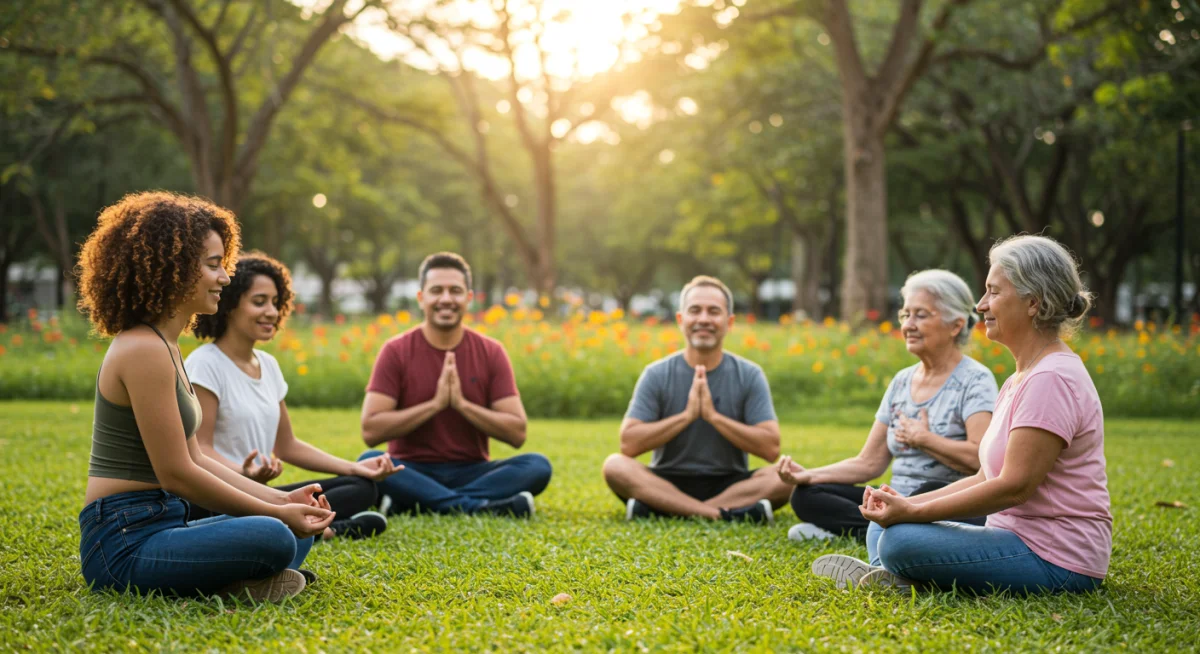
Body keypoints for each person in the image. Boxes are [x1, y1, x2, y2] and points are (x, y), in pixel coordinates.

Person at [813, 235, 1111, 595]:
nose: (982, 305)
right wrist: (905, 504)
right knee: (883, 523)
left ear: (1033, 302)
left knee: (898, 540)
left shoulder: (1051, 378)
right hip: (1012, 536)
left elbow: (1014, 487)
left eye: (993, 292)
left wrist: (913, 513)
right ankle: (897, 578)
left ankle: (896, 573)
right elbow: (987, 475)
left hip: (1057, 559)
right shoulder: (1022, 376)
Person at [76, 191, 334, 602]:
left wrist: (284, 498)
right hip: (123, 541)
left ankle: (234, 581)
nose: (225, 278)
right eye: (214, 265)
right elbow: (177, 473)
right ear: (173, 268)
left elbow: (196, 456)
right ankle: (234, 581)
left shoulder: (167, 346)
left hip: (166, 522)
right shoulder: (142, 348)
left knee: (289, 531)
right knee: (275, 535)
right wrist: (276, 513)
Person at [184, 252, 395, 539]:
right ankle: (328, 531)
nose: (271, 311)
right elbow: (200, 449)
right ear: (230, 305)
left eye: (275, 302)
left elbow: (287, 446)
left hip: (259, 493)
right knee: (219, 513)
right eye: (259, 302)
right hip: (216, 495)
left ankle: (304, 526)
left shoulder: (268, 365)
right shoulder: (205, 363)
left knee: (360, 487)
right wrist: (243, 472)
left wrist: (356, 467)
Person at [778, 270, 998, 541]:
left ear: (955, 325)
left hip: (941, 501)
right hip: (894, 497)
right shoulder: (901, 381)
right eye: (906, 315)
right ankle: (879, 530)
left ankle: (874, 532)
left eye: (921, 315)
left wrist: (926, 440)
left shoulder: (975, 380)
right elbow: (869, 463)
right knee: (806, 495)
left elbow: (981, 461)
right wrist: (809, 475)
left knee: (924, 489)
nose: (908, 325)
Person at [358, 252, 552, 516]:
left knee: (537, 465)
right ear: (421, 297)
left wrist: (462, 405)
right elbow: (370, 431)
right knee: (369, 462)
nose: (446, 299)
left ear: (469, 298)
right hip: (410, 469)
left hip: (473, 471)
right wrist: (434, 405)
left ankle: (419, 503)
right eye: (436, 290)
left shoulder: (491, 352)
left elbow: (517, 433)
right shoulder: (396, 351)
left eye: (456, 291)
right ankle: (477, 507)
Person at [602, 275, 791, 522]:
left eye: (714, 312)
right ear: (681, 319)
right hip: (666, 480)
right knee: (614, 466)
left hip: (731, 484)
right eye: (695, 311)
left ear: (729, 321)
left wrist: (714, 417)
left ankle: (666, 510)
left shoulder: (749, 375)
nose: (704, 319)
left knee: (787, 477)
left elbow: (770, 448)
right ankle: (717, 514)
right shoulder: (657, 374)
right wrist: (686, 416)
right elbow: (628, 444)